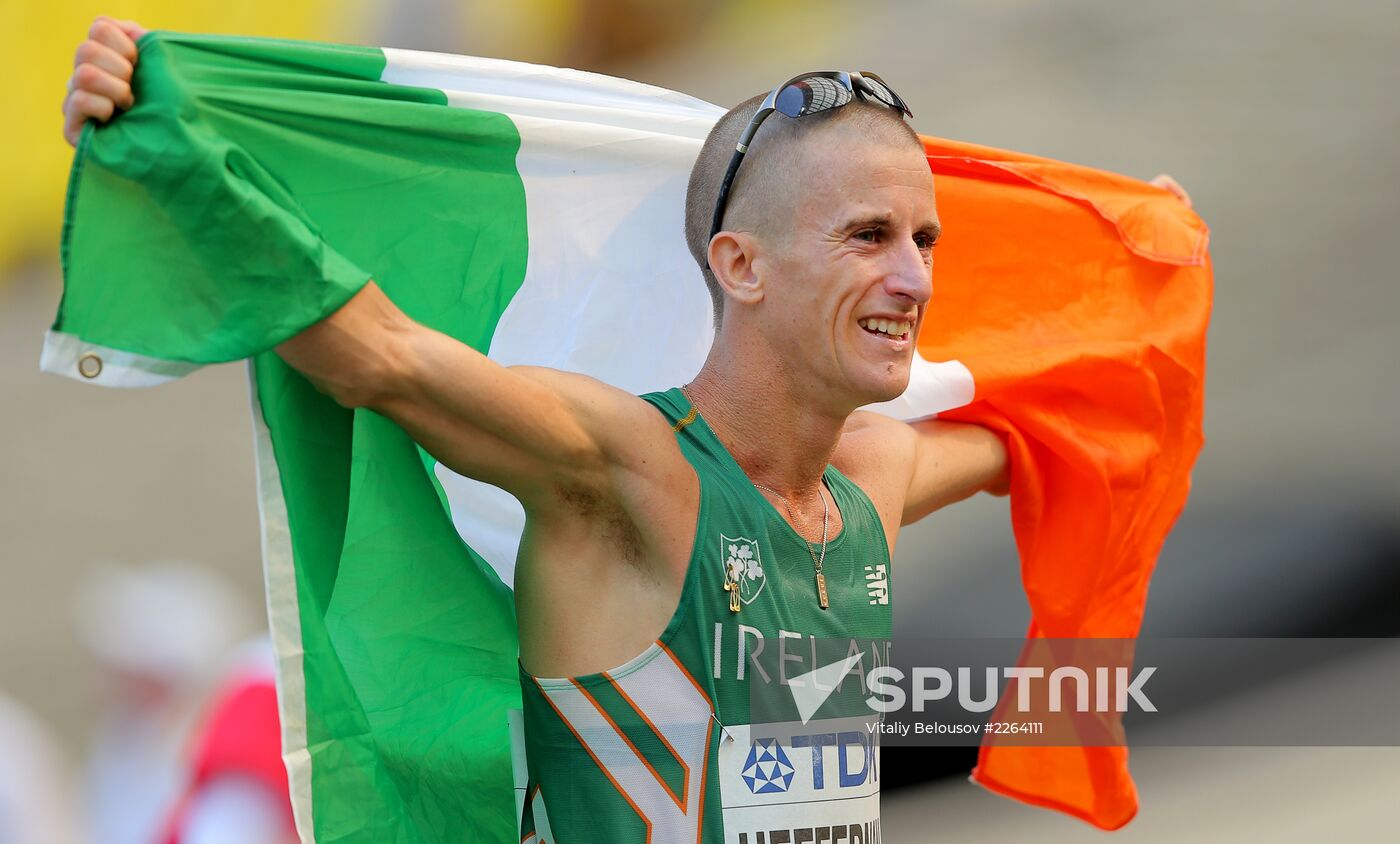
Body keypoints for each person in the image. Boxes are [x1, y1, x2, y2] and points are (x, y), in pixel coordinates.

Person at [62, 17, 1188, 841]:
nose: (911, 278)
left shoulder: (870, 480)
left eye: (924, 240)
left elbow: (1055, 431)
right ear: (739, 266)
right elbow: (381, 357)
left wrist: (1143, 274)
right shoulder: (623, 474)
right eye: (866, 235)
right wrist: (170, 154)